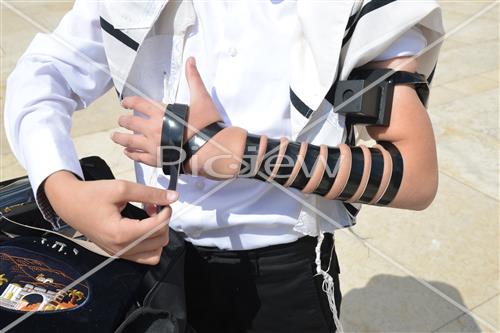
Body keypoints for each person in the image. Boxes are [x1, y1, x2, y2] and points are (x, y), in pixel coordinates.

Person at [4, 1, 444, 332]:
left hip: (284, 280)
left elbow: (415, 175)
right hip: (157, 258)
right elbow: (47, 71)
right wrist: (61, 189)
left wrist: (238, 152)